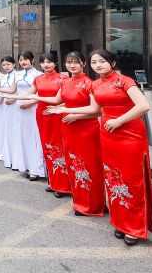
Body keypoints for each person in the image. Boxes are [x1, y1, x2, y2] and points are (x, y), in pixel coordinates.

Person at [46, 49, 152, 246]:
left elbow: (143, 105)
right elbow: (94, 110)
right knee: (114, 178)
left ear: (112, 63)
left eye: (102, 61)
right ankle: (121, 223)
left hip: (130, 133)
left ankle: (134, 228)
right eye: (94, 62)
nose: (97, 65)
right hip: (107, 133)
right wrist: (64, 109)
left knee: (131, 180)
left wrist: (119, 121)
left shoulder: (124, 81)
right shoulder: (95, 84)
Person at [53, 51, 105, 217]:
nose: (72, 65)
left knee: (89, 166)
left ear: (83, 64)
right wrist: (23, 97)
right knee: (74, 164)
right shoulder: (66, 82)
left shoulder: (90, 83)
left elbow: (97, 111)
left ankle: (93, 205)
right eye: (69, 62)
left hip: (86, 130)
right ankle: (81, 201)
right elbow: (56, 101)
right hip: (69, 128)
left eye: (76, 62)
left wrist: (76, 116)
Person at [19, 52, 71, 195]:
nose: (46, 65)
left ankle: (64, 185)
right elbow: (28, 94)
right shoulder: (38, 79)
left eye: (49, 62)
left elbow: (64, 98)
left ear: (55, 63)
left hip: (57, 114)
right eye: (43, 62)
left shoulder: (63, 78)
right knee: (47, 146)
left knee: (58, 146)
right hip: (42, 114)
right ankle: (53, 181)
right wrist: (9, 95)